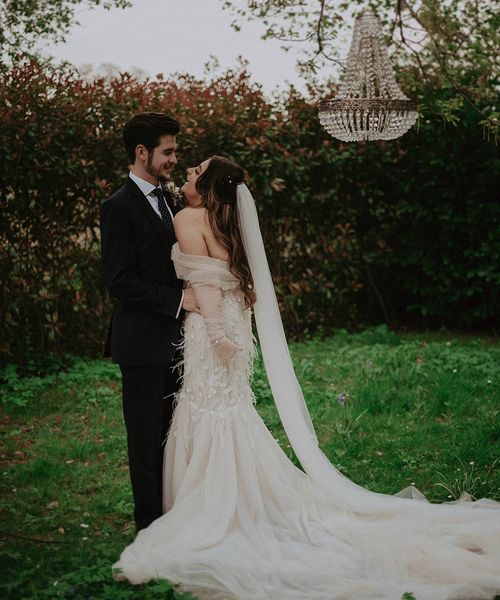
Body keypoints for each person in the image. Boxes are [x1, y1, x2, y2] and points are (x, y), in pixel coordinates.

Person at [113, 156, 500, 599]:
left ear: (209, 186)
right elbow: (237, 279)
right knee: (232, 408)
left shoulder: (187, 217)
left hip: (213, 328)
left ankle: (210, 508)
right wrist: (230, 330)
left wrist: (217, 334)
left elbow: (204, 284)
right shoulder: (230, 224)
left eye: (195, 171)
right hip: (238, 324)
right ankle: (240, 500)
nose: (187, 174)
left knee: (207, 409)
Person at [100, 113, 198, 531]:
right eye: (168, 151)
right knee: (144, 439)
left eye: (175, 151)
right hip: (140, 343)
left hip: (180, 341)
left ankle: (177, 513)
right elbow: (119, 281)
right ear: (142, 152)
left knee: (174, 435)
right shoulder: (118, 207)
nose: (175, 158)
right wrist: (180, 300)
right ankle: (149, 527)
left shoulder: (174, 200)